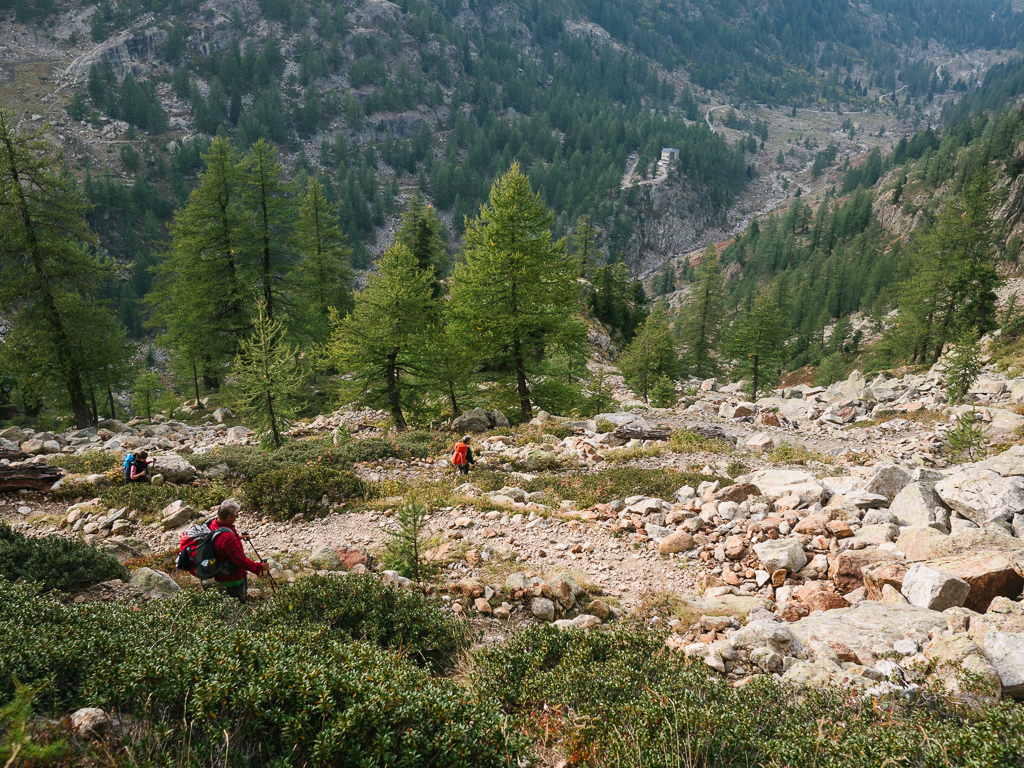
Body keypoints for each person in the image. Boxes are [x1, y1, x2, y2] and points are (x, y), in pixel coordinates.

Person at [206, 499, 268, 602]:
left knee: (229, 598)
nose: (237, 518)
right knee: (238, 601)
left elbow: (219, 542)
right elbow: (241, 561)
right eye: (236, 516)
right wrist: (259, 567)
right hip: (232, 576)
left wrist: (238, 537)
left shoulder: (213, 523)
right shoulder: (227, 537)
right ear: (229, 517)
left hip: (221, 572)